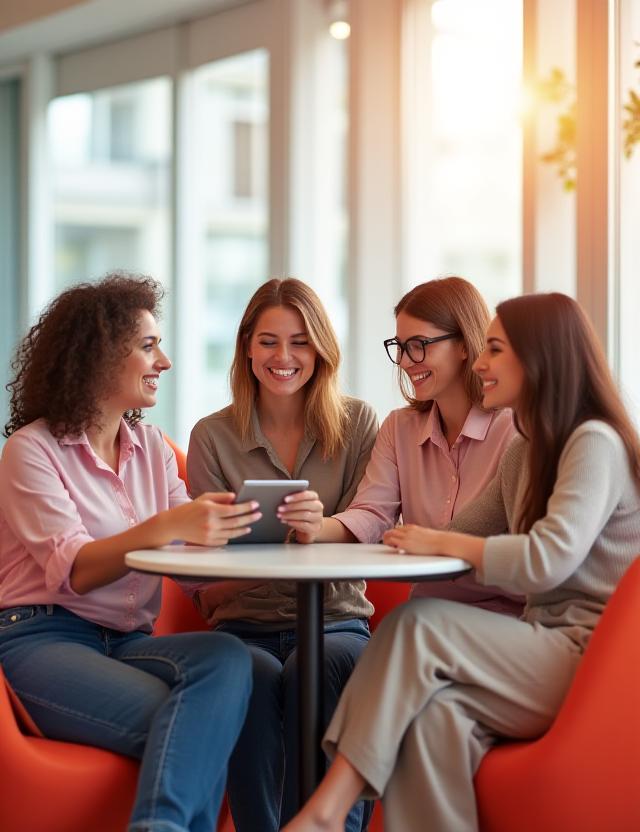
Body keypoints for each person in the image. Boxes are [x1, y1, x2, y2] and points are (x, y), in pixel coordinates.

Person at [283, 292, 640, 832]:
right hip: (539, 646)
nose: (479, 363)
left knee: (412, 622)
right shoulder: (525, 449)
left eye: (494, 349)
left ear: (538, 356)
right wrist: (421, 539)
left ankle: (329, 810)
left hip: (590, 663)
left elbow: (547, 560)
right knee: (431, 721)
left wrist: (443, 544)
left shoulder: (594, 442)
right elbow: (457, 533)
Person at [0, 274, 261, 832]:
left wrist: (257, 548)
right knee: (196, 723)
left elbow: (187, 557)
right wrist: (170, 522)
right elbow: (77, 570)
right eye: (148, 346)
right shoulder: (30, 451)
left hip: (128, 642)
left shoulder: (151, 448)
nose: (163, 361)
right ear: (97, 356)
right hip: (42, 635)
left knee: (233, 660)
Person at [187, 277, 378, 832]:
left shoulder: (361, 425)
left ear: (320, 349)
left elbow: (376, 527)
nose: (284, 357)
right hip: (244, 627)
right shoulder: (212, 437)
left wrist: (323, 530)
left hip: (338, 623)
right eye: (268, 341)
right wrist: (258, 552)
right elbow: (207, 582)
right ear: (247, 347)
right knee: (247, 670)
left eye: (300, 341)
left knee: (314, 667)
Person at [313, 276, 519, 615]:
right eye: (401, 346)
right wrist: (313, 528)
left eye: (420, 344)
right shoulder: (399, 428)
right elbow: (373, 513)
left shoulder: (514, 430)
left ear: (466, 344)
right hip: (428, 609)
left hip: (502, 615)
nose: (407, 361)